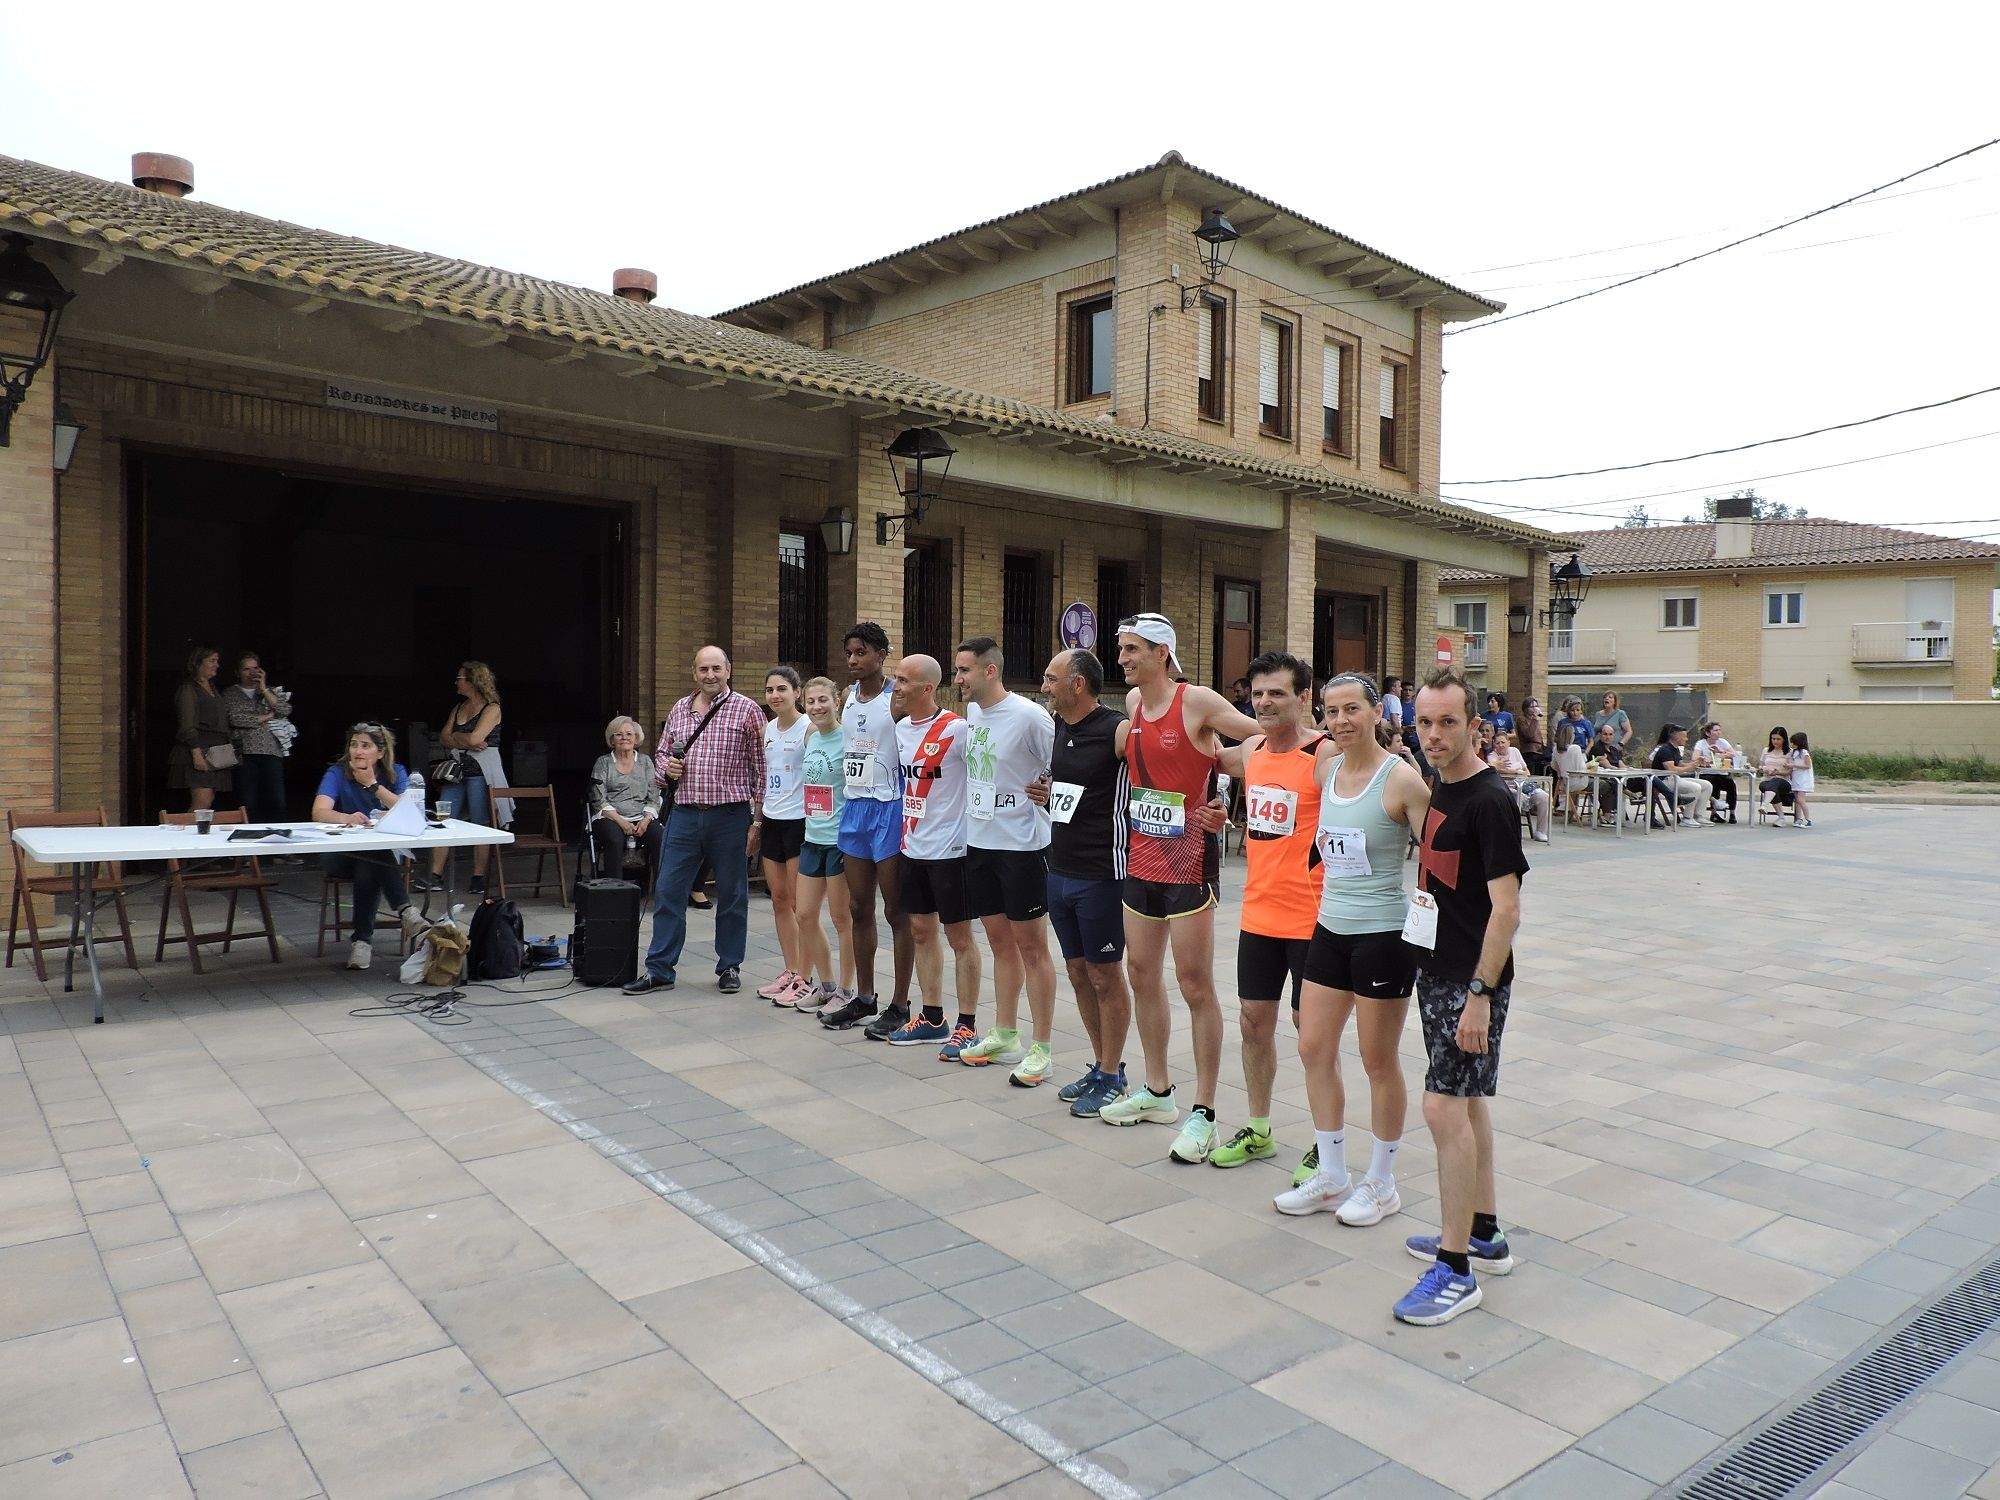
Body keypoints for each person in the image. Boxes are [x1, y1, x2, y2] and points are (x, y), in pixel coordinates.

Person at [1097, 613, 1257, 1163]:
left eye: (1133, 649)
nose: (1123, 658)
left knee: (1194, 984)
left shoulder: (1199, 701)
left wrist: (1225, 799)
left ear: (1162, 652)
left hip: (1190, 860)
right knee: (1140, 973)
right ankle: (1158, 1090)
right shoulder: (1133, 707)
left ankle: (1205, 1113)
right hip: (1142, 856)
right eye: (1121, 650)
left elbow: (1260, 741)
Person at [1395, 669, 1527, 1327]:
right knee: (1467, 1104)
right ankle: (1483, 1233)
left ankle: (1454, 1270)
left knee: (1442, 1107)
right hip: (1438, 971)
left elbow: (1507, 910)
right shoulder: (1441, 787)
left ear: (1475, 725)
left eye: (1448, 722)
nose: (1435, 734)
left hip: (1468, 981)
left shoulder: (1489, 800)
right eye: (1425, 722)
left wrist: (1480, 994)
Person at [1275, 672, 1429, 1221]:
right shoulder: (1327, 767)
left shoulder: (1402, 780)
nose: (1341, 721)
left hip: (1383, 935)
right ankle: (1333, 1173)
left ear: (1374, 713)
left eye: (1352, 710)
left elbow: (1436, 858)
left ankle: (1382, 1182)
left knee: (1376, 1059)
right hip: (1329, 929)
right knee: (1313, 1047)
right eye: (1332, 711)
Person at [1208, 652, 1330, 1169]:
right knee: (1254, 1023)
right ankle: (1259, 1128)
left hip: (1313, 919)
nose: (1264, 702)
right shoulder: (1253, 750)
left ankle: (1327, 1143)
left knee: (1312, 1035)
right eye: (1257, 694)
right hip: (1258, 915)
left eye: (1277, 693)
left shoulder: (1325, 756)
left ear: (1304, 697)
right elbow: (1209, 752)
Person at [949, 640, 1060, 1086]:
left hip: (1023, 846)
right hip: (980, 842)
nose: (957, 679)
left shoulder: (1030, 716)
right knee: (998, 942)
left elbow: (1063, 766)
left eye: (964, 671)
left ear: (990, 671)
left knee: (1033, 947)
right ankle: (1005, 1032)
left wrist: (1048, 789)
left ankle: (1043, 1048)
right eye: (957, 670)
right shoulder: (974, 715)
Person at [626, 645, 765, 996]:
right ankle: (659, 969)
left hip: (730, 815)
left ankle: (730, 966)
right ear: (694, 673)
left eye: (716, 668)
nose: (710, 675)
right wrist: (665, 768)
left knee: (732, 894)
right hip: (685, 814)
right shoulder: (680, 708)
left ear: (728, 670)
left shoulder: (747, 710)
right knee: (669, 891)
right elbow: (661, 752)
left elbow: (762, 768)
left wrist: (757, 821)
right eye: (704, 669)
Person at [1030, 648, 1133, 1118]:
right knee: (1076, 971)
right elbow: (1075, 793)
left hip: (1103, 874)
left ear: (1077, 684)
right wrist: (1049, 794)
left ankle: (1113, 1075)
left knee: (1104, 974)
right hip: (1060, 868)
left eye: (1051, 679)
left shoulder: (1117, 729)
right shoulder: (1060, 728)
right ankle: (1100, 1065)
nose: (1044, 686)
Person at [874, 654, 982, 1049]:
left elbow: (985, 776)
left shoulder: (957, 730)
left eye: (903, 680)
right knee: (921, 931)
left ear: (927, 688)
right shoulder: (901, 730)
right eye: (895, 679)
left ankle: (967, 1023)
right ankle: (932, 1016)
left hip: (951, 850)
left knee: (960, 938)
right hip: (912, 846)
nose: (896, 687)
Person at [820, 623, 913, 1031]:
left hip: (889, 808)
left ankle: (901, 1003)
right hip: (855, 808)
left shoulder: (897, 699)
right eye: (849, 653)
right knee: (859, 907)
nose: (854, 660)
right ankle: (864, 997)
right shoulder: (848, 698)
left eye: (861, 652)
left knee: (896, 910)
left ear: (881, 654)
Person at [311, 722, 424, 971]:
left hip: (370, 857)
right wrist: (346, 818)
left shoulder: (396, 772)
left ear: (380, 753)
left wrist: (373, 785)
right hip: (339, 855)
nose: (358, 751)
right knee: (373, 856)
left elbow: (411, 812)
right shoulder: (337, 772)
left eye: (366, 746)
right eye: (354, 745)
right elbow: (319, 811)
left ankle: (362, 943)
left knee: (369, 864)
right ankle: (405, 910)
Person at [789, 677, 855, 1013]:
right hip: (812, 837)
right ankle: (826, 984)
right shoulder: (811, 735)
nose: (817, 707)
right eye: (811, 701)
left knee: (842, 918)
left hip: (839, 841)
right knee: (805, 914)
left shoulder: (849, 738)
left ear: (836, 701)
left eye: (823, 700)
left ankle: (846, 990)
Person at [419, 662, 508, 894]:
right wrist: (463, 737)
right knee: (443, 819)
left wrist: (458, 737)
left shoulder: (492, 708)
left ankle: (478, 877)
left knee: (480, 823)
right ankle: (435, 875)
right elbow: (445, 737)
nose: (457, 682)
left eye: (460, 678)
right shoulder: (459, 707)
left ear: (473, 681)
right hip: (456, 771)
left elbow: (474, 737)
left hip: (481, 771)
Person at [756, 667, 814, 1004]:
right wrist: (758, 821)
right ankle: (790, 970)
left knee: (799, 903)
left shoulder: (807, 728)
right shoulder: (768, 729)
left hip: (800, 821)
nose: (775, 695)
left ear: (796, 691)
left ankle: (806, 976)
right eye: (769, 690)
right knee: (778, 900)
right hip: (773, 820)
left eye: (782, 689)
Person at [588, 716, 665, 884]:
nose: (625, 738)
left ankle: (664, 891)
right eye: (619, 734)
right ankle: (616, 890)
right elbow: (598, 799)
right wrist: (621, 822)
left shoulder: (645, 762)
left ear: (636, 738)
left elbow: (654, 796)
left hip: (641, 816)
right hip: (610, 817)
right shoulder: (603, 763)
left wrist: (645, 821)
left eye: (629, 734)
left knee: (659, 836)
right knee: (615, 838)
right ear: (612, 740)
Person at [223, 652, 291, 825]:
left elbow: (284, 710)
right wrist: (266, 717)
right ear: (238, 672)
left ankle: (280, 843)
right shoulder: (230, 693)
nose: (251, 673)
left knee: (277, 800)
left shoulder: (271, 691)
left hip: (272, 752)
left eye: (255, 668)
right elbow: (235, 718)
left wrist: (264, 689)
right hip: (245, 753)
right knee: (248, 801)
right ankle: (248, 845)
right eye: (246, 669)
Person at [169, 645, 234, 813]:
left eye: (217, 661)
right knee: (202, 801)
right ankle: (184, 837)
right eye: (212, 661)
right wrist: (196, 753)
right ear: (198, 663)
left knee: (209, 800)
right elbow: (187, 724)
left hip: (215, 751)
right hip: (198, 750)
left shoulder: (212, 687)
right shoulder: (189, 689)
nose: (216, 665)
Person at [1490, 730, 1552, 843]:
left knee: (1543, 796)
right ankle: (1514, 833)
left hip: (1524, 784)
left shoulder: (1515, 751)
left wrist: (1515, 771)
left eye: (1503, 742)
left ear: (1509, 742)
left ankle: (1541, 832)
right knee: (1515, 795)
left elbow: (1526, 771)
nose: (1500, 745)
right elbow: (1495, 769)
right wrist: (1514, 771)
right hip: (1507, 788)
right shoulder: (1492, 756)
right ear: (1494, 745)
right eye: (1497, 743)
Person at [1648, 724, 1706, 829]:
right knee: (1695, 787)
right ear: (1677, 737)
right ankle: (1687, 818)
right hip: (1663, 780)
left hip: (1674, 778)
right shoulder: (1665, 749)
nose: (1686, 739)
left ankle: (1699, 815)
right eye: (1684, 736)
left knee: (1707, 785)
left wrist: (1696, 762)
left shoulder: (1676, 749)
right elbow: (1672, 769)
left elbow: (1680, 765)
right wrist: (1690, 768)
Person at [1690, 721, 1739, 824]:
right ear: (1708, 733)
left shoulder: (1722, 742)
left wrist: (1720, 752)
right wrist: (1702, 758)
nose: (1718, 732)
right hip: (1707, 773)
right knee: (1713, 782)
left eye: (1719, 730)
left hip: (1722, 772)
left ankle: (1732, 812)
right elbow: (1694, 757)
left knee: (1731, 785)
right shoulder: (1701, 743)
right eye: (1716, 730)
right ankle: (1714, 813)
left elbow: (1734, 754)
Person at [1586, 722, 1630, 826]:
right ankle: (1610, 813)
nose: (1607, 737)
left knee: (1622, 781)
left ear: (1614, 736)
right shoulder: (1597, 749)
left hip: (1615, 776)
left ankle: (1612, 813)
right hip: (1599, 777)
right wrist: (1619, 769)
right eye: (1605, 734)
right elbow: (1608, 766)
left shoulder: (1614, 749)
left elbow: (1621, 764)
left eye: (1610, 734)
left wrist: (1627, 769)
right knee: (1612, 784)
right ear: (1600, 735)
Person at [1553, 722, 1592, 826]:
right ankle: (1602, 814)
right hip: (1579, 782)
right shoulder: (1575, 748)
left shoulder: (1556, 749)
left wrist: (1563, 770)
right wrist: (1591, 764)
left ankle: (1570, 812)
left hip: (1565, 782)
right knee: (1603, 785)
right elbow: (1581, 769)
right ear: (1571, 735)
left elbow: (1554, 766)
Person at [1758, 726, 1796, 821]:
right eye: (1773, 739)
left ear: (1784, 739)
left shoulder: (1789, 752)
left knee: (1775, 782)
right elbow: (1760, 766)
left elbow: (1790, 771)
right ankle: (1781, 818)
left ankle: (1765, 805)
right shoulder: (1766, 750)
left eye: (1778, 739)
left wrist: (1778, 772)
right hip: (1766, 780)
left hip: (1783, 781)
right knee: (1770, 786)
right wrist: (1764, 769)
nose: (1775, 741)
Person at [1515, 698, 1549, 778]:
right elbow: (1529, 734)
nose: (1535, 708)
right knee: (1532, 774)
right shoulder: (1522, 719)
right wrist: (1534, 719)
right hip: (1529, 751)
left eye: (1536, 706)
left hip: (1538, 751)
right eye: (1532, 706)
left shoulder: (1534, 721)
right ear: (1526, 708)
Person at [1789, 732, 1816, 828]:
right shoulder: (1794, 752)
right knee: (1797, 800)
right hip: (1796, 778)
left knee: (1801, 799)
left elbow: (1807, 765)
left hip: (1803, 779)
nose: (1792, 744)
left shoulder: (1804, 752)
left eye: (1794, 742)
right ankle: (1798, 818)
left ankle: (1808, 819)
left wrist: (1793, 765)